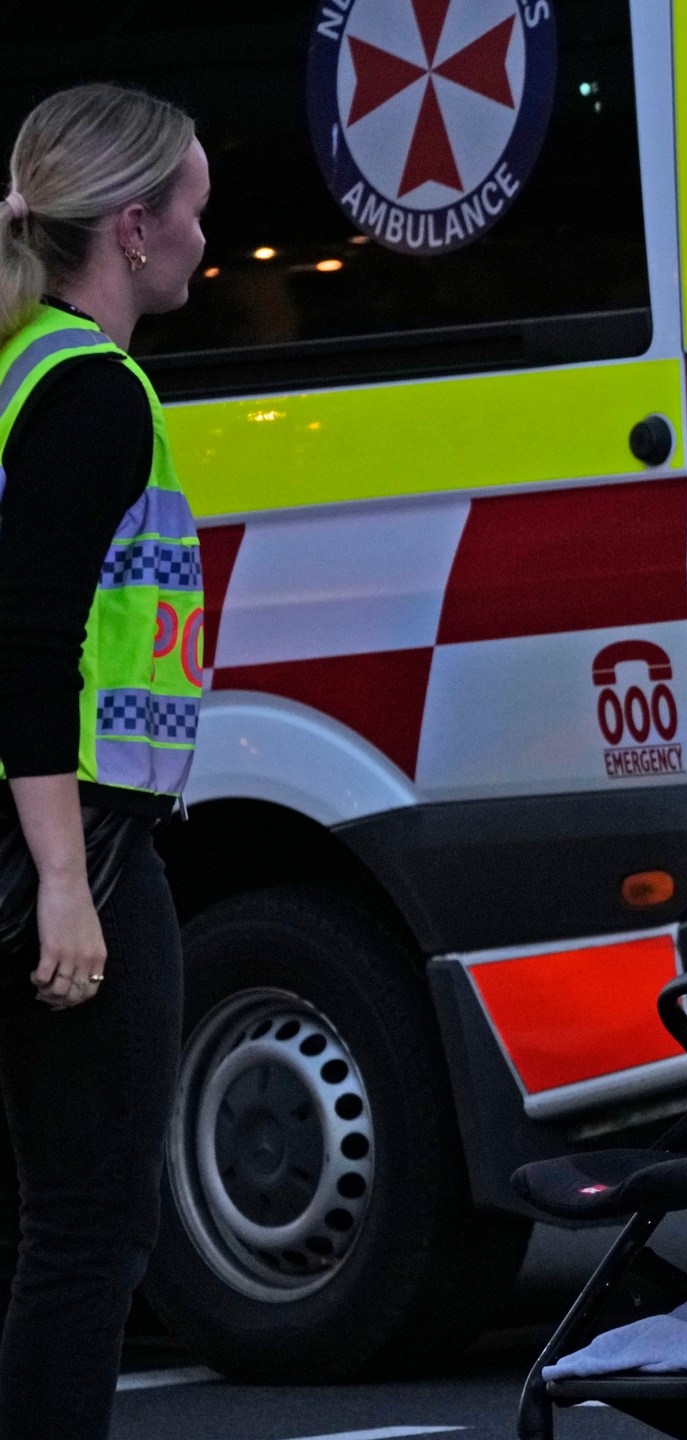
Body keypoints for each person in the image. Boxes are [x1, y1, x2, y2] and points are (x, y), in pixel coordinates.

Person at [0, 83, 211, 1440]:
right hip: (73, 842)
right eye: (194, 209)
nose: (209, 237)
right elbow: (29, 645)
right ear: (131, 229)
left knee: (48, 1221)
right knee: (88, 1227)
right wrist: (66, 879)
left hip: (50, 835)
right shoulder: (91, 392)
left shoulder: (21, 369)